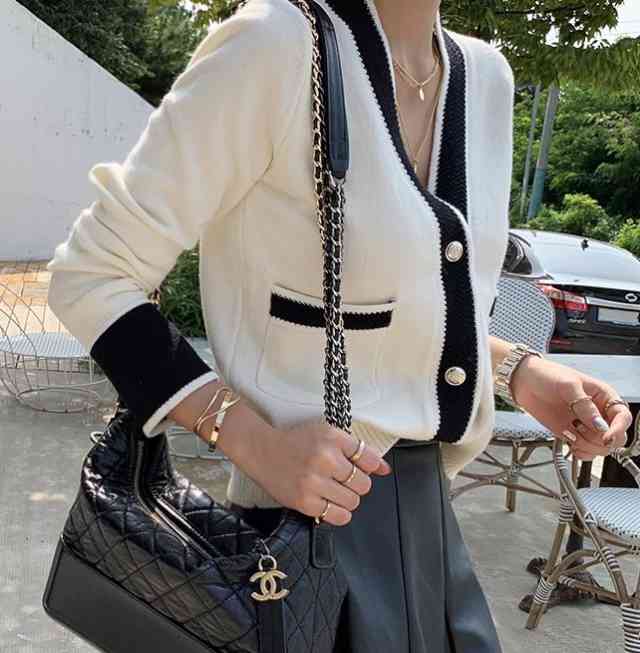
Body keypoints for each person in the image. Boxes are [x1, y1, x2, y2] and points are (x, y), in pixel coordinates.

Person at [45, 0, 632, 650]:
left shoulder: (486, 79)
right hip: (297, 546)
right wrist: (245, 435)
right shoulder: (274, 46)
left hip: (430, 529)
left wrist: (518, 372)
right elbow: (91, 275)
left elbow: (399, 314)